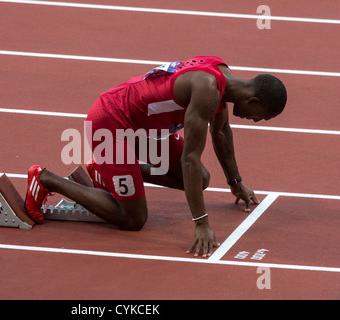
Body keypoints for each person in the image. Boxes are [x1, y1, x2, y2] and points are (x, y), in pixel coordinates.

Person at [25, 56, 287, 257]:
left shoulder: (221, 75)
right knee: (133, 219)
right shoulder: (207, 89)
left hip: (142, 130)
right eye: (261, 116)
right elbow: (190, 160)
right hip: (112, 122)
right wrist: (201, 223)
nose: (255, 121)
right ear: (253, 100)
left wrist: (236, 183)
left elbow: (221, 132)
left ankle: (106, 172)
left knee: (200, 180)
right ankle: (46, 179)